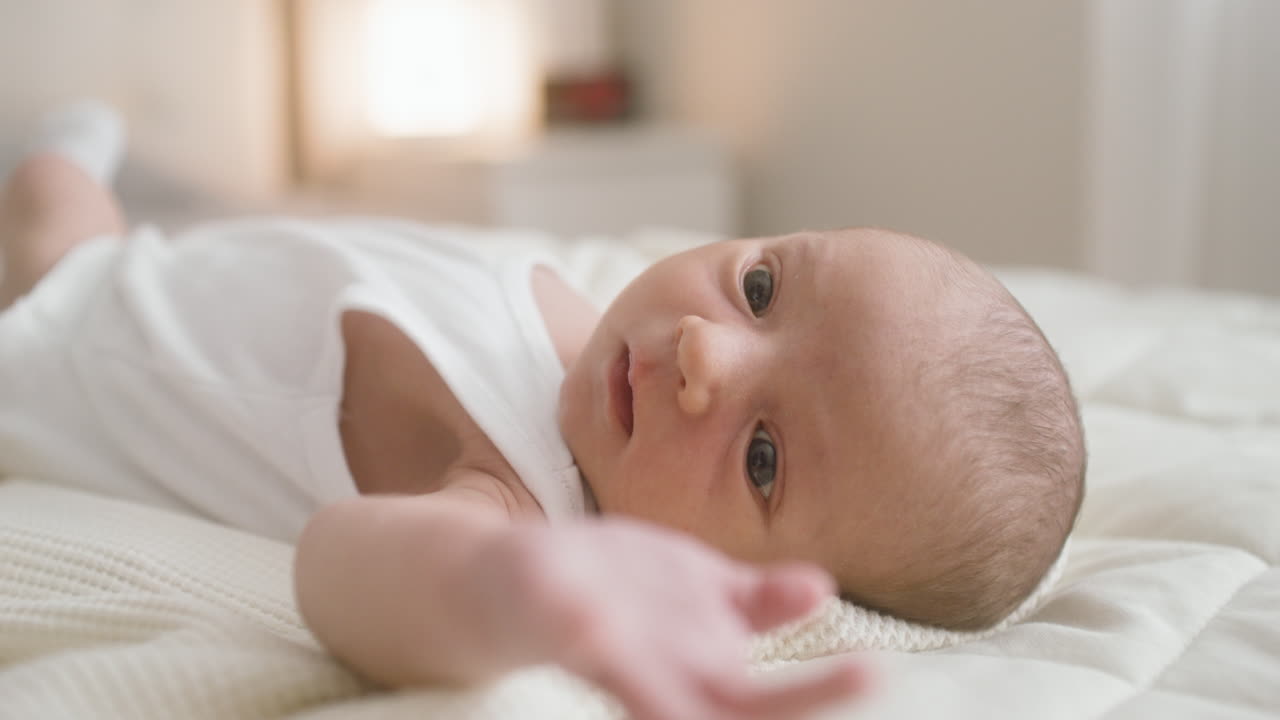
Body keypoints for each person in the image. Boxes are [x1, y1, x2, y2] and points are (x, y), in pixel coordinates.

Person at [0, 104, 1085, 720]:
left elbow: (354, 567)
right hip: (196, 268)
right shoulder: (595, 337)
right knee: (105, 204)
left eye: (761, 458)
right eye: (759, 289)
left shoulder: (510, 493)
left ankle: (57, 157)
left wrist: (512, 591)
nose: (705, 349)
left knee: (53, 217)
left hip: (65, 333)